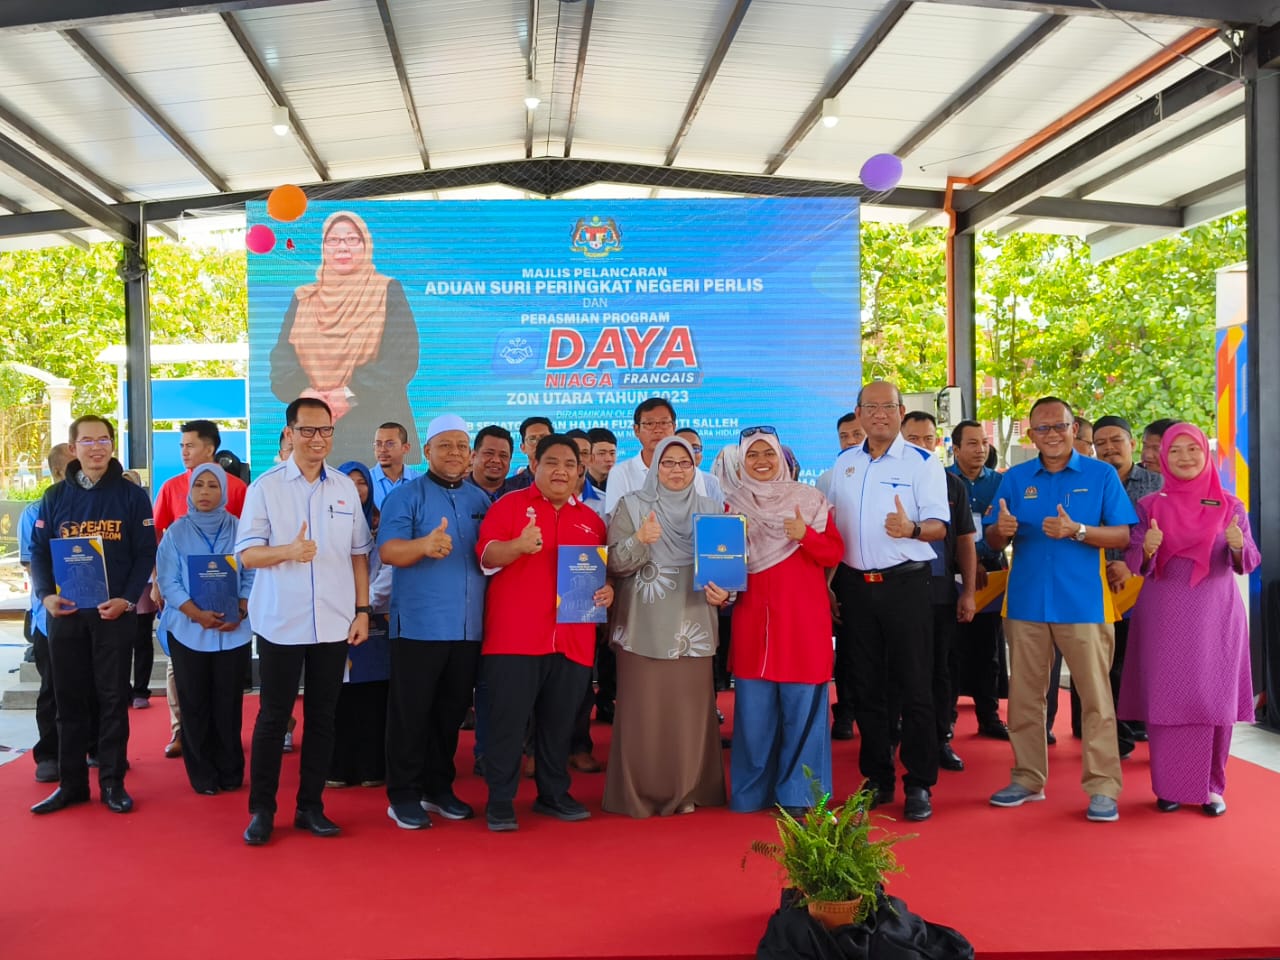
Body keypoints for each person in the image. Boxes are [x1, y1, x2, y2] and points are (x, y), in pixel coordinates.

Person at [985, 396, 1137, 823]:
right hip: (1026, 602)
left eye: (1059, 426)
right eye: (1042, 428)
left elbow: (1123, 535)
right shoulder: (1015, 478)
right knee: (1024, 697)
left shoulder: (1101, 474)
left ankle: (1103, 787)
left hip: (1084, 603)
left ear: (1074, 430)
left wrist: (1079, 531)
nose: (1051, 434)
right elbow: (992, 538)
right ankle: (1027, 778)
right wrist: (1001, 532)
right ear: (1031, 435)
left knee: (1096, 699)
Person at [235, 397, 373, 846]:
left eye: (325, 430)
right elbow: (246, 554)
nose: (318, 439)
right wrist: (288, 552)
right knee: (274, 717)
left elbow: (358, 555)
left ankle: (310, 806)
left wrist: (362, 611)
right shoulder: (266, 487)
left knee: (323, 717)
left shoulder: (344, 487)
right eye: (308, 430)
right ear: (290, 433)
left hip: (334, 621)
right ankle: (262, 810)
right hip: (281, 621)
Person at [475, 434, 613, 832]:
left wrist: (608, 591)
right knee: (507, 725)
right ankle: (500, 800)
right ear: (534, 465)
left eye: (570, 465)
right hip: (515, 640)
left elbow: (599, 576)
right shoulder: (508, 506)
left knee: (559, 725)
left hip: (572, 641)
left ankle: (553, 794)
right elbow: (485, 556)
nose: (561, 471)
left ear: (580, 471)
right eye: (552, 462)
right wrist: (517, 546)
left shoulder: (592, 521)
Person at [1119, 423, 1258, 816]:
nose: (1184, 457)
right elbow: (1135, 562)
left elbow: (1248, 559)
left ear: (1205, 452)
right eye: (1175, 450)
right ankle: (1169, 787)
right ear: (1163, 457)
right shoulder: (1150, 506)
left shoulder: (1231, 505)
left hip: (1216, 615)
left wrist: (1238, 546)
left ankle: (1213, 787)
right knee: (1168, 697)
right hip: (1164, 614)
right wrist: (1146, 549)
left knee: (1214, 699)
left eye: (1192, 449)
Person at [829, 382, 949, 822]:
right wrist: (830, 585)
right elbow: (832, 529)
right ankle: (877, 778)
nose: (879, 414)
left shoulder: (923, 463)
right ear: (858, 412)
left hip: (905, 585)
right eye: (871, 407)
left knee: (915, 686)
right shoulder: (845, 463)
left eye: (888, 407)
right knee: (866, 687)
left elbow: (939, 526)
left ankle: (919, 783)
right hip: (855, 587)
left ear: (901, 411)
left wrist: (911, 529)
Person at [28, 416, 157, 815]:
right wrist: (46, 596)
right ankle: (71, 785)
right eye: (87, 441)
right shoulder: (54, 496)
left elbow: (145, 553)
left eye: (103, 439)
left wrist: (127, 600)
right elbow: (38, 551)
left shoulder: (132, 497)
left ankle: (113, 783)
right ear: (73, 449)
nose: (96, 447)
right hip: (66, 614)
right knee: (67, 700)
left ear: (113, 445)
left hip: (113, 616)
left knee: (113, 699)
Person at [603, 435, 727, 817]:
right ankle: (641, 792)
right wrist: (640, 539)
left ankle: (687, 789)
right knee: (645, 712)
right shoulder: (632, 505)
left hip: (694, 622)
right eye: (668, 462)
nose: (676, 470)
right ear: (655, 467)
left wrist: (726, 593)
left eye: (684, 463)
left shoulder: (712, 510)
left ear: (695, 467)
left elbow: (726, 569)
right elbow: (613, 564)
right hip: (643, 622)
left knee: (688, 713)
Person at [378, 415, 490, 829]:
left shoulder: (481, 500)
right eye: (445, 445)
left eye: (461, 446)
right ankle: (403, 795)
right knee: (411, 715)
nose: (454, 453)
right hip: (419, 627)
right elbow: (389, 551)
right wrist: (423, 545)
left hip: (468, 628)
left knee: (450, 714)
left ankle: (438, 789)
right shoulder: (406, 497)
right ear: (426, 451)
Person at [727, 426, 844, 816]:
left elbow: (833, 554)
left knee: (803, 715)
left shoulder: (810, 501)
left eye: (768, 454)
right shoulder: (731, 505)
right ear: (741, 462)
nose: (761, 461)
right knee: (753, 719)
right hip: (753, 624)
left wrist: (805, 535)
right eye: (752, 455)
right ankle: (749, 794)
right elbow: (721, 562)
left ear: (782, 458)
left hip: (802, 624)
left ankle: (801, 796)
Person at [269, 211, 420, 466]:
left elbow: (402, 359)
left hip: (375, 430)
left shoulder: (386, 290)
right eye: (334, 240)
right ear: (323, 248)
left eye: (352, 239)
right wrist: (308, 395)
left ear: (365, 245)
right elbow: (282, 360)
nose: (342, 247)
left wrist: (348, 394)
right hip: (314, 431)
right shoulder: (304, 297)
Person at [155, 463, 254, 795]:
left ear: (224, 491)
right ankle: (202, 774)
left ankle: (230, 770)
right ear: (190, 492)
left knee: (228, 703)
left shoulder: (241, 529)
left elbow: (252, 573)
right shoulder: (176, 532)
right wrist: (195, 613)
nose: (205, 492)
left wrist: (241, 608)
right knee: (194, 703)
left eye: (213, 486)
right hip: (188, 630)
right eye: (199, 486)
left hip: (233, 628)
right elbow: (168, 581)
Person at [901, 412, 977, 774]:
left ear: (938, 442)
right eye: (912, 439)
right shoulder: (883, 477)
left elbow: (964, 541)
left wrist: (969, 592)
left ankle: (940, 738)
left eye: (927, 439)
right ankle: (894, 739)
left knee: (940, 670)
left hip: (940, 591)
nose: (921, 445)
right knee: (896, 669)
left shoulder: (951, 484)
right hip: (895, 591)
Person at [1088, 414, 1165, 753]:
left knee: (1142, 661)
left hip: (1145, 587)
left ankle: (1140, 722)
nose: (1109, 448)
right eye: (1101, 443)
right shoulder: (1089, 481)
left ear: (1131, 443)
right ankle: (1112, 733)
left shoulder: (1157, 484)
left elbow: (1165, 534)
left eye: (1116, 440)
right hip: (1095, 584)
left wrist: (1131, 567)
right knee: (1103, 663)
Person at [327, 460, 392, 790]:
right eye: (348, 481)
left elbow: (389, 573)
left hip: (376, 624)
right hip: (333, 621)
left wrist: (363, 606)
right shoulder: (325, 525)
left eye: (361, 482)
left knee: (372, 696)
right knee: (336, 696)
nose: (356, 488)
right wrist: (345, 606)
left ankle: (371, 766)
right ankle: (337, 766)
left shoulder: (382, 526)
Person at [947, 420, 1010, 740]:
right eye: (972, 443)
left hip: (992, 572)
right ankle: (946, 720)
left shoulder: (1000, 483)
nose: (980, 449)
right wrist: (968, 562)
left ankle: (989, 716)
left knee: (988, 648)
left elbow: (1006, 527)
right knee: (950, 648)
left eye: (984, 442)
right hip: (950, 572)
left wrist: (980, 558)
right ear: (956, 449)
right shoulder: (941, 481)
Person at [18, 443, 73, 784]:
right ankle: (49, 755)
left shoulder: (91, 506)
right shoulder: (35, 512)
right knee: (52, 688)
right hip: (48, 617)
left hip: (90, 613)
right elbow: (31, 563)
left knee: (93, 686)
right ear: (57, 472)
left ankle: (93, 746)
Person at [604, 398, 722, 518]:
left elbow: (699, 516)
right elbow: (617, 521)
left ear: (674, 427)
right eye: (650, 424)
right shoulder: (620, 473)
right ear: (636, 430)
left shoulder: (691, 472)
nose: (658, 430)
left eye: (664, 423)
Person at [815, 412, 865, 498]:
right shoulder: (826, 480)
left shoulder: (881, 472)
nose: (850, 441)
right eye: (844, 436)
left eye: (857, 434)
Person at [499, 417, 553, 494]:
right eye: (532, 439)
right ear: (523, 448)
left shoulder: (565, 481)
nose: (539, 443)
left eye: (544, 438)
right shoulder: (509, 488)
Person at [370, 422, 418, 508]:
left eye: (390, 444)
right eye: (378, 444)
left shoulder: (420, 482)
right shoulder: (365, 481)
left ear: (406, 448)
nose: (382, 449)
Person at [467, 425, 514, 502]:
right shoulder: (454, 493)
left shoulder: (520, 496)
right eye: (489, 453)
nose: (496, 460)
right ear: (473, 456)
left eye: (503, 455)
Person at [586, 427, 618, 492]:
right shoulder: (576, 485)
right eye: (602, 453)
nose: (609, 459)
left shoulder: (623, 484)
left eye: (612, 453)